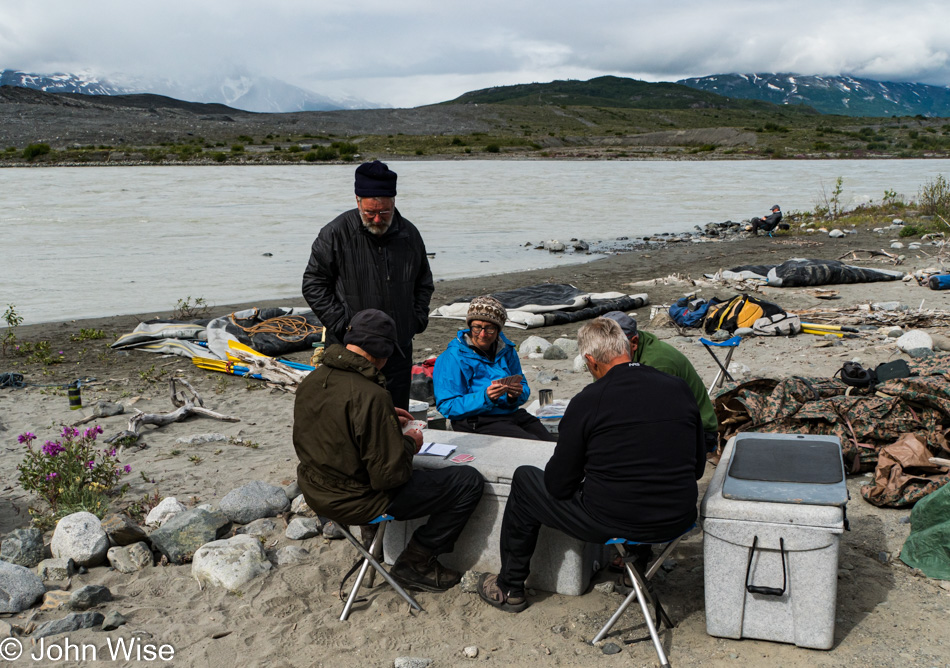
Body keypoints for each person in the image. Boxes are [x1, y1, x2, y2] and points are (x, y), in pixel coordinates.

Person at [476, 317, 705, 612]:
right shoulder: (678, 387)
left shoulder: (590, 400)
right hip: (679, 517)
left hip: (616, 520)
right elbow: (697, 467)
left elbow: (558, 485)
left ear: (590, 361)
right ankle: (632, 572)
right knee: (643, 471)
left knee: (525, 481)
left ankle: (510, 587)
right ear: (628, 349)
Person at [293, 309, 484, 592]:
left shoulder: (312, 380)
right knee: (468, 482)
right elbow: (389, 477)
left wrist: (383, 419)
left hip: (316, 492)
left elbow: (335, 428)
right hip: (357, 500)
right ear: (382, 352)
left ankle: (381, 552)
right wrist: (411, 443)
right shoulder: (370, 395)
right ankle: (415, 561)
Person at [302, 160, 434, 409]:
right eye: (369, 212)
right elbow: (313, 283)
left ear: (393, 202)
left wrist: (415, 320)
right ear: (357, 201)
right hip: (349, 350)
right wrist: (343, 326)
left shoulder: (409, 235)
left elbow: (424, 283)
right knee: (348, 418)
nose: (376, 218)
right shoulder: (335, 233)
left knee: (395, 418)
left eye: (384, 212)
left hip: (397, 350)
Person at [434, 296, 556, 442]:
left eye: (490, 328)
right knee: (532, 444)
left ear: (498, 330)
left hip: (511, 413)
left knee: (552, 443)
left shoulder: (507, 349)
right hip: (477, 420)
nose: (483, 334)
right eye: (477, 327)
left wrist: (515, 395)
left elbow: (523, 387)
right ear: (470, 325)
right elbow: (446, 406)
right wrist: (485, 397)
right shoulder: (452, 357)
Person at [603, 311, 719, 455]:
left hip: (698, 430)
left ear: (633, 343)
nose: (608, 357)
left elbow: (658, 418)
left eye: (614, 350)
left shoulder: (658, 364)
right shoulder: (618, 354)